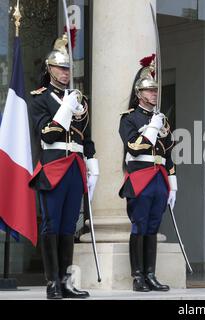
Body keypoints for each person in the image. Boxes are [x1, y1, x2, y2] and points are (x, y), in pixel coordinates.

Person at [29, 34, 99, 299]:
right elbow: (47, 134)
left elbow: (86, 137)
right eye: (60, 68)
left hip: (75, 166)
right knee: (52, 224)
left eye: (68, 68)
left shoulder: (78, 99)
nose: (65, 72)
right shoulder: (40, 99)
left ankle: (67, 280)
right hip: (53, 165)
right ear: (49, 70)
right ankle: (52, 282)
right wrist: (65, 110)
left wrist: (93, 166)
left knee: (70, 225)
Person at [119, 55, 177, 292]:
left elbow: (168, 152)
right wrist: (152, 128)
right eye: (149, 91)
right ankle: (138, 276)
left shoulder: (161, 119)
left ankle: (151, 274)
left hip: (158, 177)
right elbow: (133, 146)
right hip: (140, 176)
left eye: (155, 90)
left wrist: (172, 180)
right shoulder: (129, 118)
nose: (154, 94)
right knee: (139, 225)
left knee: (153, 227)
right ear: (139, 93)